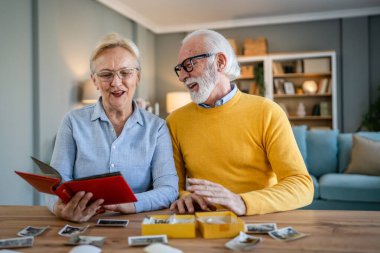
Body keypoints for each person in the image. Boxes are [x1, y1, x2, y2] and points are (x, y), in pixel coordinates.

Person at [167, 29, 313, 216]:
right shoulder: (175, 121)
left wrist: (242, 202)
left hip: (257, 222)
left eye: (189, 64)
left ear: (219, 62)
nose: (181, 77)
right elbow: (171, 187)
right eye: (179, 69)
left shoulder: (267, 112)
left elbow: (301, 185)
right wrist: (183, 196)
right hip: (202, 223)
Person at [46, 33, 178, 222]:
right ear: (94, 81)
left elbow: (168, 190)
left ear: (137, 77)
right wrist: (59, 208)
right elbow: (55, 184)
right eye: (106, 74)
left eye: (125, 73)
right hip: (82, 224)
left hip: (137, 224)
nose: (116, 82)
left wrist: (130, 203)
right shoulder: (72, 122)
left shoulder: (157, 128)